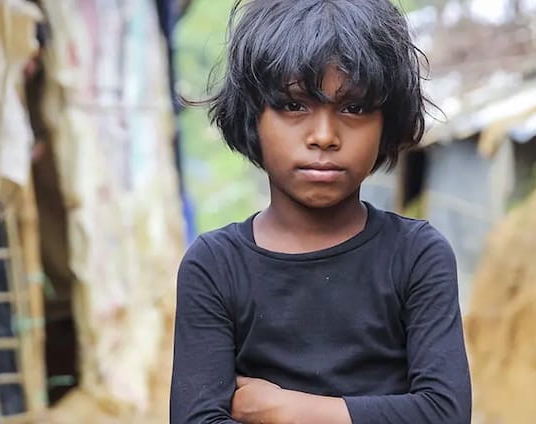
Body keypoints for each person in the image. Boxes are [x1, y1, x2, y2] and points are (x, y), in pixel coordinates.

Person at [169, 0, 472, 423]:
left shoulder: (416, 256)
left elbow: (444, 413)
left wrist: (290, 411)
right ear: (252, 115)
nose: (324, 136)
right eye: (294, 105)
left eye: (354, 108)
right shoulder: (215, 267)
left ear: (388, 121)